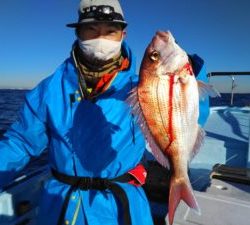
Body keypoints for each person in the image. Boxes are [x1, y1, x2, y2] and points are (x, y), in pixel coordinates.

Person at [0, 0, 210, 224]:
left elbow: (194, 116)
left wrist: (194, 72)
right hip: (61, 207)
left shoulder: (142, 88)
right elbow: (20, 143)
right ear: (78, 33)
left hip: (123, 208)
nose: (101, 38)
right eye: (91, 29)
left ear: (123, 35)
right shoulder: (48, 90)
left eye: (110, 31)